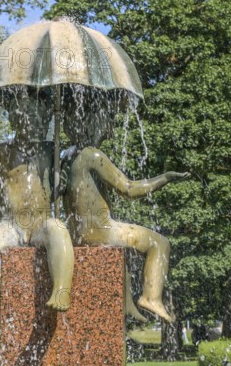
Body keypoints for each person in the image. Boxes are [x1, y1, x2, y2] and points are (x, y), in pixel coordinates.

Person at [60, 97, 190, 321]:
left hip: (76, 232)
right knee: (159, 243)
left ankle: (127, 305)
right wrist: (165, 178)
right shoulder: (93, 155)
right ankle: (151, 298)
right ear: (89, 123)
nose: (108, 126)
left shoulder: (66, 157)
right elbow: (129, 189)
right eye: (103, 120)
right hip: (100, 230)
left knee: (121, 256)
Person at [0, 92, 74, 333]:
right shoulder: (1, 150)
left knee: (58, 230)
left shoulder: (51, 149)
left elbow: (59, 187)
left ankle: (61, 291)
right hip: (10, 225)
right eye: (27, 116)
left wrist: (60, 180)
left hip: (40, 223)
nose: (34, 122)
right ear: (14, 120)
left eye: (40, 117)